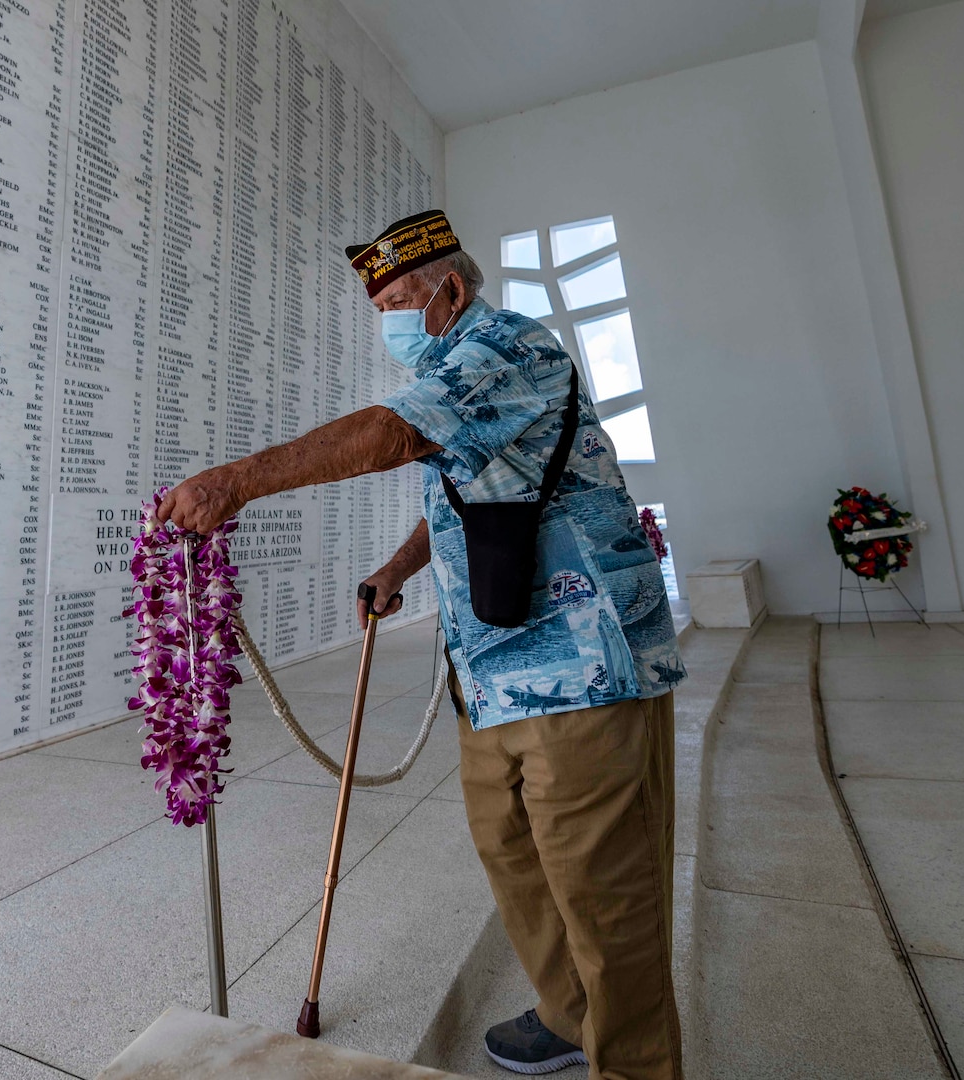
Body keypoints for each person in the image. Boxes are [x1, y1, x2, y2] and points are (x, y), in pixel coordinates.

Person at [153, 210, 687, 1079]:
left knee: (603, 885)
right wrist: (401, 565)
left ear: (454, 289)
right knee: (510, 849)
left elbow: (398, 434)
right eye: (382, 305)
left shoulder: (510, 347)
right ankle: (568, 1011)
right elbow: (470, 491)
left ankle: (633, 1064)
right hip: (491, 664)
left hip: (583, 662)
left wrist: (238, 480)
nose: (395, 316)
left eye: (404, 297)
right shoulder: (454, 369)